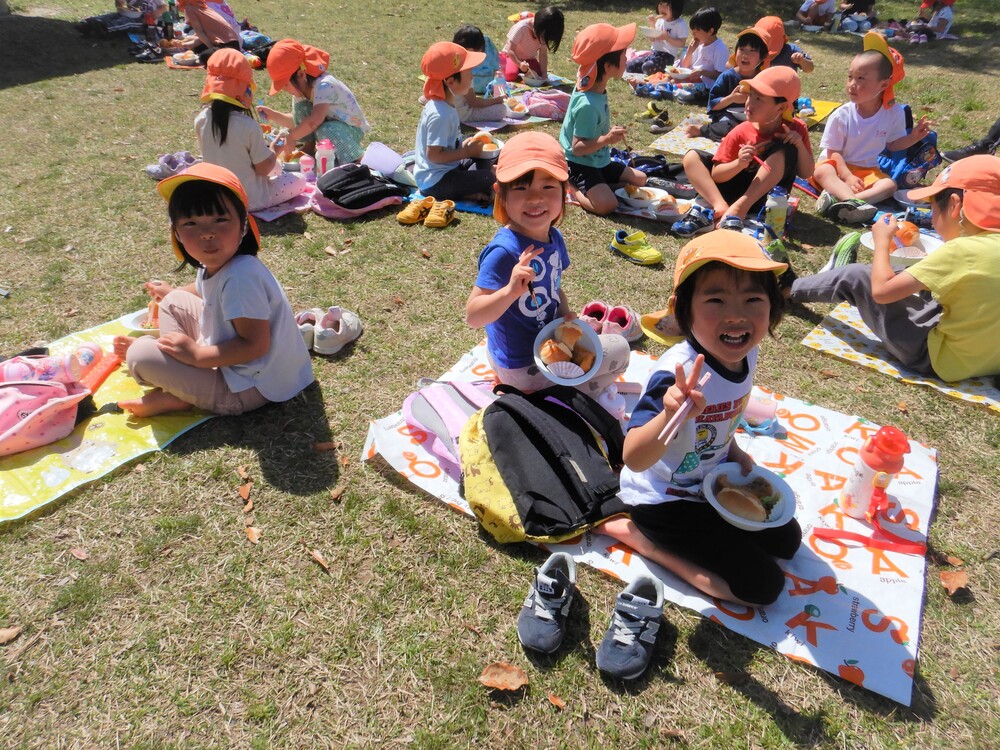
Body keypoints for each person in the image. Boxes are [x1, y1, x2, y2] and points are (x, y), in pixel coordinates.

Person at [594, 231, 801, 606]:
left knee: (788, 541)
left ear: (772, 306)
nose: (736, 315)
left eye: (753, 299)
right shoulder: (676, 376)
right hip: (664, 499)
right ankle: (641, 539)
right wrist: (671, 414)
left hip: (710, 484)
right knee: (761, 589)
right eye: (716, 299)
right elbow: (634, 457)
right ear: (682, 309)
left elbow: (723, 417)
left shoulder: (744, 352)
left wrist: (733, 450)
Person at [113, 163, 314, 417]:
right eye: (191, 223)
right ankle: (174, 364)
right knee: (173, 301)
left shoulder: (241, 277)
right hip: (238, 369)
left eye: (220, 220)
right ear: (176, 232)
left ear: (243, 226)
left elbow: (255, 346)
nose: (207, 233)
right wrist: (170, 292)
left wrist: (197, 355)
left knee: (140, 355)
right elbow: (203, 290)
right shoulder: (218, 264)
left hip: (253, 387)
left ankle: (178, 392)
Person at [786, 155, 1000, 383]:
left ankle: (785, 289)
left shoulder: (962, 251)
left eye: (933, 209)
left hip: (937, 359)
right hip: (989, 361)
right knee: (913, 279)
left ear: (955, 205)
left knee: (857, 276)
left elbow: (881, 292)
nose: (933, 218)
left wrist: (881, 241)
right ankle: (829, 278)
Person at [465, 132, 630, 396]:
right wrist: (510, 292)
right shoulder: (504, 251)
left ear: (565, 191)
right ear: (501, 193)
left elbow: (554, 287)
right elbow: (473, 316)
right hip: (521, 365)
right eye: (521, 187)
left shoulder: (553, 237)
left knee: (602, 348)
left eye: (548, 187)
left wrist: (566, 316)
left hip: (548, 343)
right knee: (619, 350)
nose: (534, 199)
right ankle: (542, 400)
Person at [673, 66, 814, 235]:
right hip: (729, 192)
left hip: (765, 200)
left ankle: (741, 207)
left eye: (759, 99)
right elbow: (717, 175)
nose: (749, 104)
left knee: (787, 149)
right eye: (750, 96)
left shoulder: (796, 129)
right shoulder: (741, 130)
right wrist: (739, 163)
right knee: (691, 157)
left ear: (781, 108)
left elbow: (806, 173)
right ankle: (719, 206)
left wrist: (798, 145)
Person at [812, 32, 933, 225]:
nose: (852, 84)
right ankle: (849, 201)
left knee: (889, 185)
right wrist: (847, 176)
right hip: (837, 166)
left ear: (884, 84)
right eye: (850, 76)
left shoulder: (893, 113)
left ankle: (851, 203)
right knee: (822, 171)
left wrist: (914, 137)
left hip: (867, 171)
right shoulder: (842, 114)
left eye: (861, 78)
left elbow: (893, 145)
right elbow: (832, 152)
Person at [194, 50, 308, 212]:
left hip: (218, 197)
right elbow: (262, 169)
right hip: (251, 199)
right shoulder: (247, 126)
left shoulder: (201, 119)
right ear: (245, 90)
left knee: (276, 166)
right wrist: (275, 149)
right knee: (299, 180)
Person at [559, 22, 648, 217]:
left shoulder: (592, 83)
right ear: (607, 66)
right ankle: (570, 186)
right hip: (579, 164)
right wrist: (607, 139)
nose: (628, 58)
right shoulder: (588, 104)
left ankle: (601, 186)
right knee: (607, 206)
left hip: (599, 159)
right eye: (624, 55)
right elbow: (578, 148)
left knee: (641, 179)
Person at [258, 39, 372, 165]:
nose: (285, 90)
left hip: (350, 130)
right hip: (329, 127)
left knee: (326, 130)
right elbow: (298, 123)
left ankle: (357, 159)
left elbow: (315, 119)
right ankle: (309, 147)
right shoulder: (300, 91)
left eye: (285, 85)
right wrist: (274, 115)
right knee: (303, 109)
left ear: (301, 74)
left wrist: (292, 137)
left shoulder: (324, 86)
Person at [411, 41, 494, 204]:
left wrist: (465, 146)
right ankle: (465, 192)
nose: (472, 76)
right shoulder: (440, 114)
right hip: (435, 182)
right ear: (450, 82)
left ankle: (468, 188)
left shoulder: (446, 105)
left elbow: (448, 143)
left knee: (484, 154)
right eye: (468, 72)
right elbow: (434, 155)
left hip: (449, 168)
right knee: (488, 176)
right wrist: (466, 153)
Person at [683, 26, 771, 142]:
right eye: (742, 49)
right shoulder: (727, 76)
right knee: (727, 127)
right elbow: (713, 105)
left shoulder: (764, 78)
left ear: (762, 58)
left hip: (753, 118)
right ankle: (703, 130)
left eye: (752, 51)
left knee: (767, 130)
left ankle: (735, 138)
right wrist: (732, 98)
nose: (745, 55)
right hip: (728, 117)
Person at [670, 7, 729, 105]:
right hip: (691, 78)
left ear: (710, 31)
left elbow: (721, 76)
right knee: (671, 78)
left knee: (675, 83)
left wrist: (702, 72)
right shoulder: (699, 44)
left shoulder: (719, 49)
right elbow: (685, 66)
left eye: (697, 30)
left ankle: (666, 90)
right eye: (692, 29)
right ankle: (651, 85)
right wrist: (690, 51)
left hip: (706, 85)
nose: (693, 33)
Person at [451, 25, 509, 124]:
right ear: (471, 50)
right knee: (502, 110)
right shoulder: (465, 69)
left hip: (448, 111)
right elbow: (473, 102)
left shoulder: (450, 61)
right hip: (462, 114)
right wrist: (496, 100)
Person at [500, 6, 565, 82]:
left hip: (529, 59)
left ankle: (522, 72)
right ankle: (515, 69)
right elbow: (510, 49)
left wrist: (544, 74)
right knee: (510, 75)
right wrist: (519, 63)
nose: (542, 39)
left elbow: (543, 54)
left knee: (538, 74)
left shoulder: (543, 32)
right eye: (542, 36)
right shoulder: (521, 28)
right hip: (511, 56)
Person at [626, 1, 689, 76]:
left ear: (676, 8)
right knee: (630, 65)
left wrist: (667, 38)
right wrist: (652, 25)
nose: (662, 8)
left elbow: (682, 43)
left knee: (647, 67)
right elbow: (652, 39)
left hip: (667, 58)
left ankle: (654, 73)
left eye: (666, 5)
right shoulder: (659, 21)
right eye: (661, 4)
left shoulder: (680, 24)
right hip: (653, 54)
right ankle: (647, 72)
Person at [74, 0, 166, 37]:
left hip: (146, 20)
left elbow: (163, 6)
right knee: (111, 15)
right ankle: (89, 23)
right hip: (129, 13)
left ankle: (104, 28)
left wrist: (156, 13)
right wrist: (119, 3)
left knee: (126, 22)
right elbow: (120, 5)